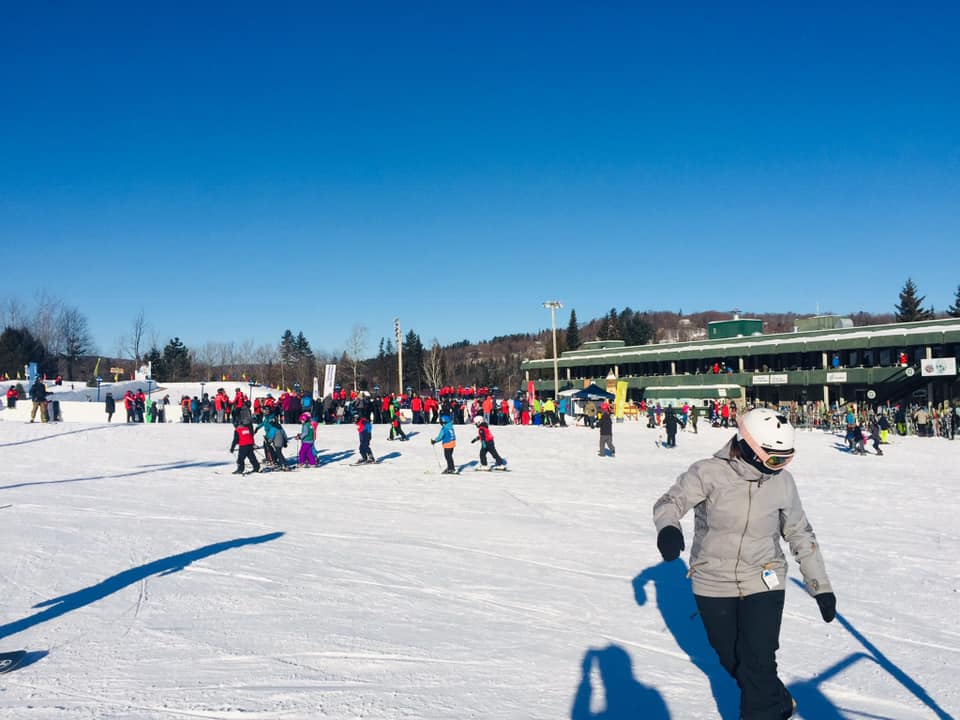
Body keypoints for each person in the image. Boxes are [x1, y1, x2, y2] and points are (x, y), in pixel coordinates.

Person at [653, 407, 835, 720]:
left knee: (758, 660)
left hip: (765, 577)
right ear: (749, 447)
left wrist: (820, 586)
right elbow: (670, 503)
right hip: (713, 580)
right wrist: (668, 528)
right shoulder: (708, 473)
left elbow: (800, 534)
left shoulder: (782, 483)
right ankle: (776, 700)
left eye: (786, 459)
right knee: (732, 661)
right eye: (775, 458)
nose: (779, 467)